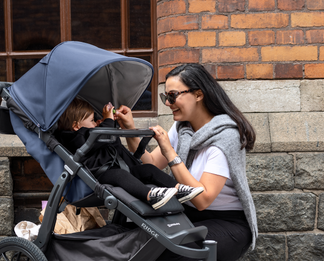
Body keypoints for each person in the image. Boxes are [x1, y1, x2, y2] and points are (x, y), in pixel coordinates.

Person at [114, 63, 258, 261]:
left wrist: (170, 152)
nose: (168, 103)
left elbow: (202, 200)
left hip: (227, 222)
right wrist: (129, 129)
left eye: (172, 96)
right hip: (187, 214)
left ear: (198, 94)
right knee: (140, 243)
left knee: (172, 253)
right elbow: (151, 164)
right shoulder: (183, 129)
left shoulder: (226, 137)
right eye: (166, 97)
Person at [56, 97, 204, 210]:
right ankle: (150, 196)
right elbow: (99, 139)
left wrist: (107, 123)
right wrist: (107, 121)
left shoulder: (89, 132)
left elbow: (109, 141)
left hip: (121, 168)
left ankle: (179, 188)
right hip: (101, 174)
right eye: (92, 120)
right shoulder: (73, 137)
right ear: (76, 126)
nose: (95, 124)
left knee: (149, 169)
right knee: (120, 175)